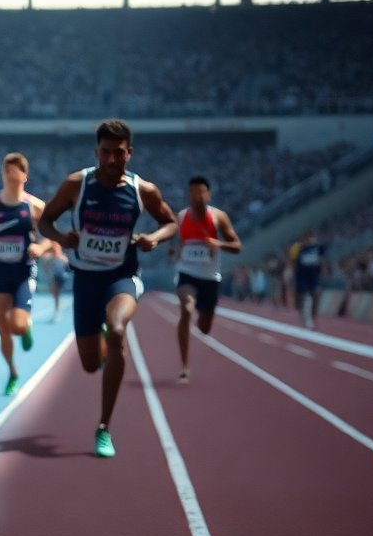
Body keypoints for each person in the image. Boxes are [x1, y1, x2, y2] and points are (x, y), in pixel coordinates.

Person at [39, 119, 177, 458]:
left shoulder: (143, 191)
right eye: (106, 153)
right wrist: (61, 237)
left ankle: (104, 427)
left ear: (130, 153)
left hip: (122, 276)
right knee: (89, 364)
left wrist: (153, 239)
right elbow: (44, 220)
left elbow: (171, 221)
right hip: (85, 279)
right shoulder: (77, 184)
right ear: (96, 152)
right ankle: (101, 337)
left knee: (117, 330)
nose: (112, 160)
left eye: (119, 153)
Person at [0, 152, 50, 395]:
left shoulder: (34, 206)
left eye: (14, 170)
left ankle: (25, 326)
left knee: (16, 326)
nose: (9, 174)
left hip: (24, 273)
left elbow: (52, 236)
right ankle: (13, 372)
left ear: (24, 175)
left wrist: (41, 246)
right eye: (5, 170)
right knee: (2, 328)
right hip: (0, 273)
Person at [173, 176, 242, 382]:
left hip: (210, 278)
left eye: (201, 192)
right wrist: (173, 251)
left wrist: (218, 244)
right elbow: (178, 244)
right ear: (189, 194)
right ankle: (184, 365)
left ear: (208, 194)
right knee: (186, 308)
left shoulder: (218, 217)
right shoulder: (181, 217)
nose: (197, 196)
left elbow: (237, 246)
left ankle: (199, 320)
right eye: (193, 192)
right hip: (187, 273)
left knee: (204, 328)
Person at [292, 231, 326, 329]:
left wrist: (323, 270)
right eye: (305, 239)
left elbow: (323, 257)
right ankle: (306, 319)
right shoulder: (297, 249)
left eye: (309, 239)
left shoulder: (317, 248)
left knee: (316, 295)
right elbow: (292, 262)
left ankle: (312, 316)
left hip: (314, 276)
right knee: (305, 297)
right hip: (302, 276)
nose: (307, 241)